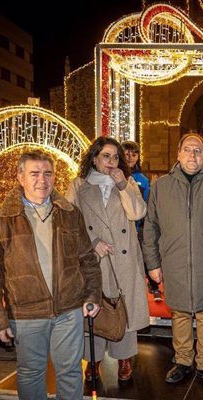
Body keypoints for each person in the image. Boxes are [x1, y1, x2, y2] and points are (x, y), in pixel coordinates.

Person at [0, 151, 102, 400]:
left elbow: (88, 260)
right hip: (25, 310)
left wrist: (93, 296)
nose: (42, 180)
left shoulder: (69, 213)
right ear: (20, 178)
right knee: (31, 372)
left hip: (68, 308)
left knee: (71, 371)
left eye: (47, 173)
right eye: (34, 174)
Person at [142, 133, 203, 388]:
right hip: (174, 262)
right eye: (187, 150)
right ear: (178, 154)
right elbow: (151, 226)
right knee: (181, 313)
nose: (192, 155)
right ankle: (183, 360)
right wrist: (152, 262)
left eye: (198, 150)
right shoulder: (161, 186)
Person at [66, 136, 149, 383]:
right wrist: (92, 243)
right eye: (106, 156)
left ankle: (124, 358)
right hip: (94, 259)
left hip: (123, 257)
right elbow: (70, 224)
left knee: (123, 306)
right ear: (94, 158)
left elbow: (138, 212)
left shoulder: (127, 183)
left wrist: (123, 185)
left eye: (115, 157)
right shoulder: (79, 186)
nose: (112, 161)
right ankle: (93, 360)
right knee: (95, 306)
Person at [122, 140, 163, 302]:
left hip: (139, 227)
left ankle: (153, 286)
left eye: (134, 154)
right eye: (126, 154)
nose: (130, 157)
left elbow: (146, 205)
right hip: (121, 227)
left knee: (146, 255)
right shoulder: (116, 176)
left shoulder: (142, 179)